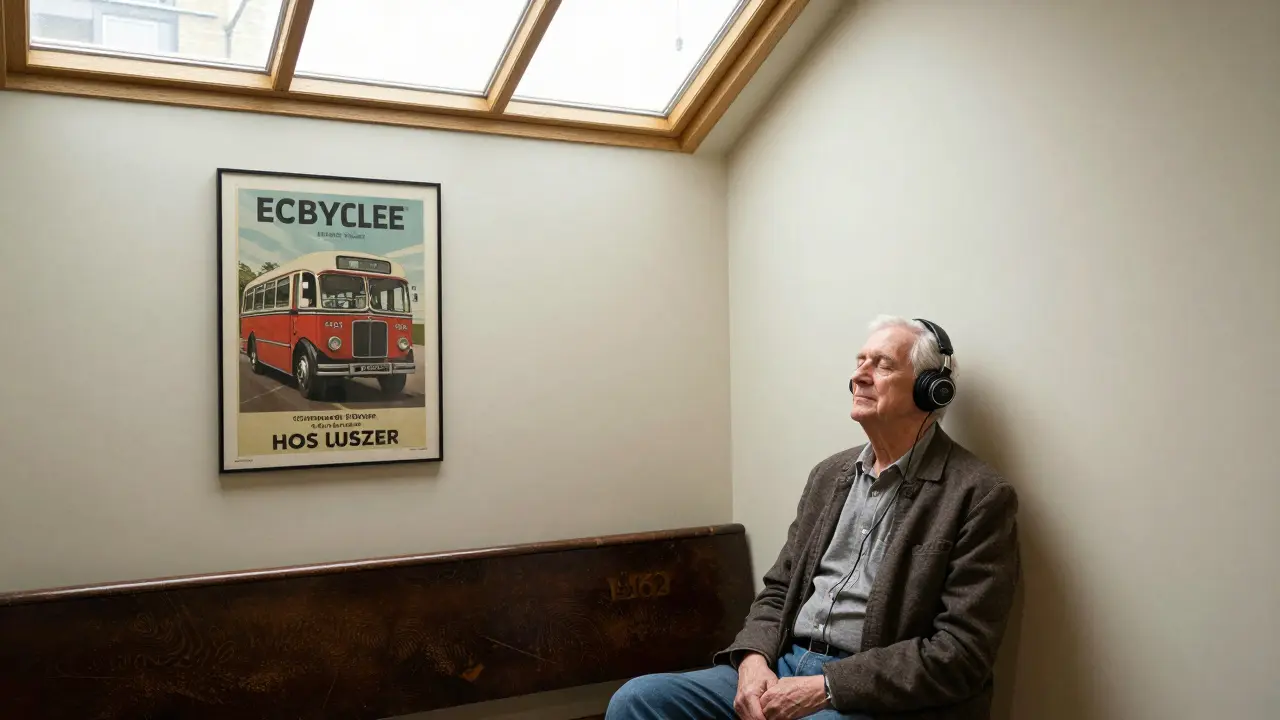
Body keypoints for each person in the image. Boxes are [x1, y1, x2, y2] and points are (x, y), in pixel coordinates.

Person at [605, 316, 1020, 720]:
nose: (860, 375)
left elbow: (960, 653)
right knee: (639, 700)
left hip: (873, 696)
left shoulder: (978, 495)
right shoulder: (829, 475)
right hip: (783, 664)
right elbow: (778, 590)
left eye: (883, 364)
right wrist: (752, 662)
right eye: (860, 362)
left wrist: (826, 687)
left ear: (932, 390)